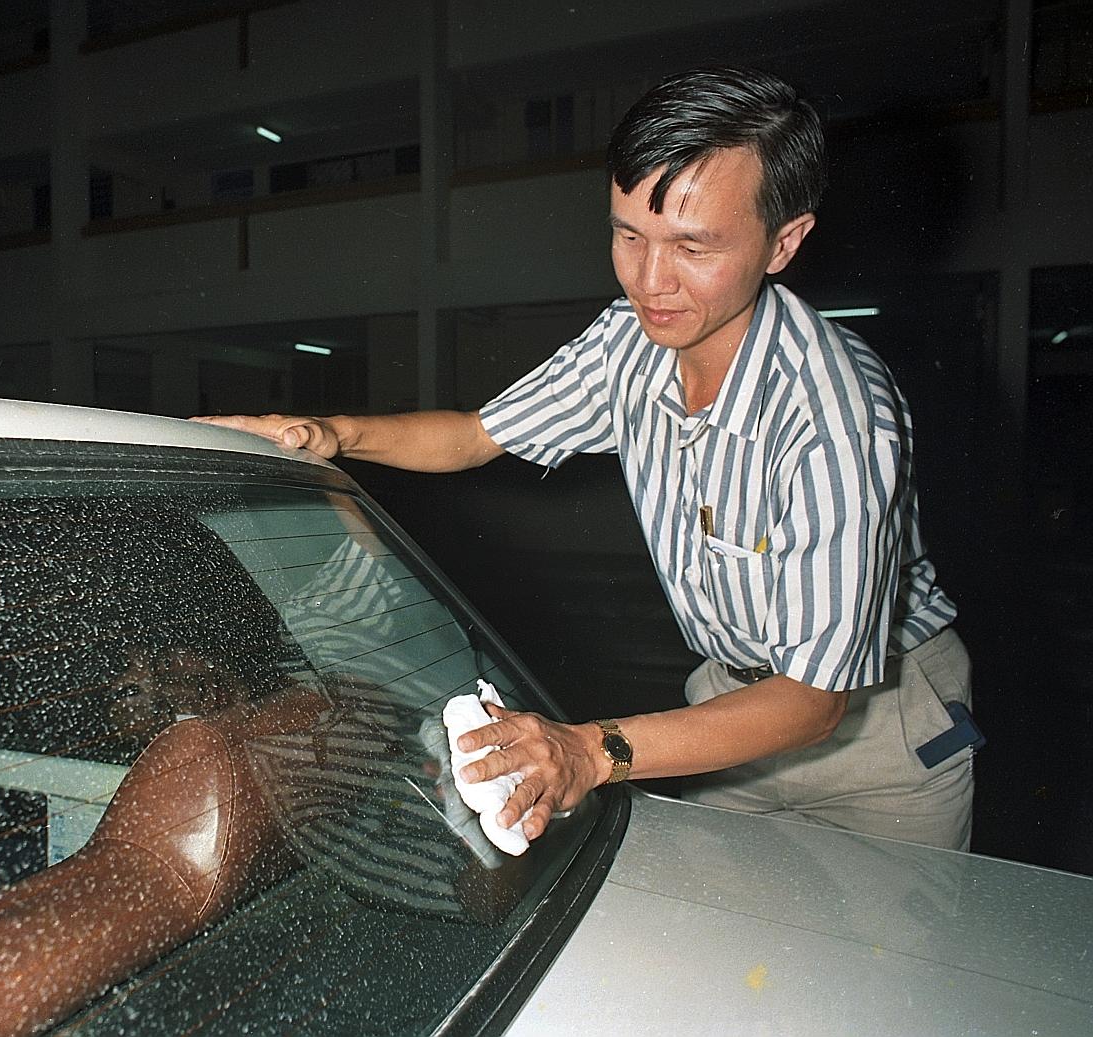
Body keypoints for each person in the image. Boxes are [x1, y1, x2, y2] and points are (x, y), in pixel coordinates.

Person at [195, 65, 978, 852]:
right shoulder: (629, 343)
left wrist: (586, 750)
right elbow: (475, 434)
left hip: (876, 735)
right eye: (629, 235)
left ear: (785, 242)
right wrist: (332, 433)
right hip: (724, 702)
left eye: (692, 246)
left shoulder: (836, 415)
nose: (650, 282)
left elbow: (813, 699)